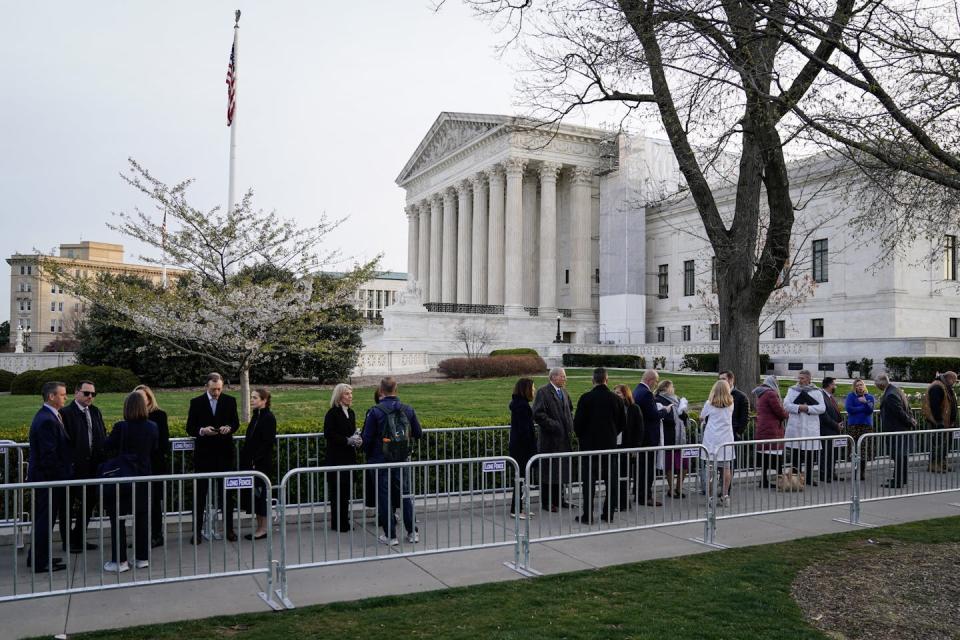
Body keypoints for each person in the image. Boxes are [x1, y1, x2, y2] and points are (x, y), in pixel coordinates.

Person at [102, 391, 159, 573]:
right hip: (143, 477)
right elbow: (154, 449)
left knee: (117, 518)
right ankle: (142, 558)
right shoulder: (152, 427)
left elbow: (108, 445)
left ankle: (120, 561)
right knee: (142, 518)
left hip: (122, 477)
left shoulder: (121, 427)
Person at [361, 377, 423, 545]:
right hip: (401, 459)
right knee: (405, 495)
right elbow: (418, 432)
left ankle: (391, 535)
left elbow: (366, 438)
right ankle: (412, 532)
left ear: (381, 390)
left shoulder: (375, 411)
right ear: (396, 389)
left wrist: (368, 452)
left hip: (379, 459)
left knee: (384, 497)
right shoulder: (408, 409)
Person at [186, 372, 240, 544]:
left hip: (224, 454)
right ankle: (196, 532)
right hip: (204, 455)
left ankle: (229, 529)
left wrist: (228, 428)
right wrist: (202, 431)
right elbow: (190, 427)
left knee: (226, 495)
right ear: (206, 387)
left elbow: (236, 423)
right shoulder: (196, 403)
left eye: (219, 389)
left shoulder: (230, 401)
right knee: (200, 496)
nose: (216, 393)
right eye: (213, 389)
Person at [27, 381, 72, 573]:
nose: (65, 397)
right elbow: (49, 455)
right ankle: (40, 562)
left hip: (48, 479)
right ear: (51, 397)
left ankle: (38, 556)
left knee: (44, 520)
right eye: (62, 395)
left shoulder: (51, 416)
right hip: (48, 480)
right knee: (45, 521)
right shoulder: (46, 419)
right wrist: (60, 476)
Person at [573, 368, 625, 524]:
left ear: (593, 380)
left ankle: (587, 515)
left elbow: (578, 425)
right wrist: (611, 434)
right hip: (609, 446)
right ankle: (608, 514)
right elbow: (622, 423)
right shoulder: (616, 399)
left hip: (589, 447)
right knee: (611, 482)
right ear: (606, 380)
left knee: (589, 483)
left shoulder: (586, 398)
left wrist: (585, 437)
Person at [60, 380, 106, 552]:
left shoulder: (95, 412)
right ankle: (67, 541)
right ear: (76, 392)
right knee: (67, 505)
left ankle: (79, 538)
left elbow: (101, 434)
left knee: (88, 503)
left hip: (93, 467)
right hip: (73, 468)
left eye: (93, 394)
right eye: (86, 393)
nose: (90, 397)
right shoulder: (66, 413)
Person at [532, 367, 575, 512]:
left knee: (560, 471)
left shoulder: (563, 392)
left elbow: (569, 409)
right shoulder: (543, 392)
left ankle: (560, 500)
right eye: (563, 376)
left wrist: (570, 426)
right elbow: (538, 414)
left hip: (563, 439)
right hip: (549, 440)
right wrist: (554, 425)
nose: (565, 379)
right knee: (548, 473)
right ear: (554, 377)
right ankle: (547, 502)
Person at [134, 385, 169, 548]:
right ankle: (141, 535)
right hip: (136, 467)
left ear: (149, 398)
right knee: (139, 503)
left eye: (143, 397)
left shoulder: (159, 416)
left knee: (154, 503)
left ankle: (157, 534)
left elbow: (163, 443)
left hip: (154, 465)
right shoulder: (132, 417)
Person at [240, 388, 277, 540]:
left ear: (264, 400)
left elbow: (267, 442)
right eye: (252, 397)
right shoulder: (256, 416)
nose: (252, 400)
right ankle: (259, 527)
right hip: (252, 463)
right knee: (255, 496)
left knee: (261, 496)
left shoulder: (268, 417)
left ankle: (263, 529)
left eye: (255, 398)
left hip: (261, 465)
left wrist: (256, 460)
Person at [324, 384, 360, 533]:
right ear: (339, 396)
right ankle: (338, 523)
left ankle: (344, 520)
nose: (350, 396)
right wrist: (347, 440)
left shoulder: (351, 413)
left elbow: (351, 432)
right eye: (346, 394)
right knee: (337, 492)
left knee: (345, 492)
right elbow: (329, 434)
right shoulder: (332, 413)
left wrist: (356, 439)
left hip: (348, 457)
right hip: (336, 458)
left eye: (351, 393)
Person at [784, 370, 825, 486]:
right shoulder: (792, 390)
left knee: (810, 455)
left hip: (810, 427)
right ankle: (796, 479)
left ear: (808, 379)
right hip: (796, 427)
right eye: (799, 378)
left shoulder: (817, 392)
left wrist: (808, 409)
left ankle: (808, 478)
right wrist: (799, 407)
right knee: (796, 455)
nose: (800, 380)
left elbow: (822, 408)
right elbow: (786, 405)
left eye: (802, 378)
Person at [875, 373, 917, 488]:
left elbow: (899, 412)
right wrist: (911, 420)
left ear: (881, 383)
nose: (876, 386)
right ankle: (900, 478)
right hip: (899, 429)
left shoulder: (890, 395)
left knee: (898, 455)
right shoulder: (896, 390)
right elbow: (907, 409)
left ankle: (898, 480)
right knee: (901, 456)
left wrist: (910, 421)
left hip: (896, 429)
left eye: (876, 384)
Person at [632, 369, 667, 506]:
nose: (656, 384)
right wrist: (665, 411)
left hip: (641, 436)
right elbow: (653, 415)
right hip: (648, 437)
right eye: (656, 381)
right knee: (647, 469)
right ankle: (645, 496)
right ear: (651, 380)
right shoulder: (646, 393)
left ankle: (638, 493)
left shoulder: (637, 390)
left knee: (641, 468)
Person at [700, 379, 736, 506]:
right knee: (726, 468)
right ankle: (725, 495)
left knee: (710, 469)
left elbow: (701, 417)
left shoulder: (709, 404)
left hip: (712, 439)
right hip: (726, 438)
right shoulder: (731, 403)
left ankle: (710, 497)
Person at [509, 377, 537, 519]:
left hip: (520, 447)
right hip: (522, 449)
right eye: (532, 388)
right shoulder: (522, 406)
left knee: (522, 480)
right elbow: (524, 430)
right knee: (520, 480)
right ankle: (516, 509)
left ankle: (520, 508)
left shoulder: (520, 404)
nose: (534, 390)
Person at [655, 380, 689, 499]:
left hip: (680, 438)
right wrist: (668, 411)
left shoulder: (678, 400)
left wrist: (683, 412)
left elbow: (684, 417)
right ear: (665, 388)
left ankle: (679, 487)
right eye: (672, 386)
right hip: (668, 436)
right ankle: (671, 489)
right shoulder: (659, 400)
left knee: (684, 465)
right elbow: (664, 417)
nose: (673, 388)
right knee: (670, 465)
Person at [752, 375, 787, 488]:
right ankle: (780, 482)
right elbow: (779, 411)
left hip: (763, 427)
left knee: (765, 458)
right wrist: (787, 414)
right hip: (772, 429)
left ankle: (764, 480)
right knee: (777, 457)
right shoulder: (771, 393)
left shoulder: (762, 393)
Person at [614, 384, 643, 509]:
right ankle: (616, 501)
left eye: (619, 393)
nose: (616, 396)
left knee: (625, 476)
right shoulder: (612, 408)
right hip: (615, 446)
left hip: (627, 446)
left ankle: (624, 502)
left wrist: (635, 447)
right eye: (614, 393)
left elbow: (639, 429)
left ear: (625, 394)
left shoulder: (634, 408)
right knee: (615, 475)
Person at [923, 371, 957, 473]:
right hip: (938, 422)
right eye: (954, 380)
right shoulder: (937, 387)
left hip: (945, 422)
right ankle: (934, 464)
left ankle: (941, 462)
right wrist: (938, 420)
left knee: (944, 444)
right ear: (949, 378)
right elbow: (935, 406)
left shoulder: (944, 386)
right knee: (937, 444)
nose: (954, 383)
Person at [844, 378, 876, 481]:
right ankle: (854, 472)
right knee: (854, 449)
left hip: (866, 426)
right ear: (854, 387)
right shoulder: (851, 396)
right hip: (853, 426)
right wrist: (863, 407)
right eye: (857, 385)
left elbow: (870, 410)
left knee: (864, 450)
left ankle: (862, 472)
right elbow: (849, 409)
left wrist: (865, 402)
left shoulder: (869, 397)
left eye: (861, 385)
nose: (859, 387)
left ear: (864, 386)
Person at [818, 377, 843, 483]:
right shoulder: (822, 396)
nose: (835, 386)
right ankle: (824, 475)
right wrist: (835, 425)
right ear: (829, 385)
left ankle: (832, 473)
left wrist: (839, 424)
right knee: (826, 454)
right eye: (834, 384)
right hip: (827, 430)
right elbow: (824, 415)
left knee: (833, 453)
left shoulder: (830, 397)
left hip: (834, 429)